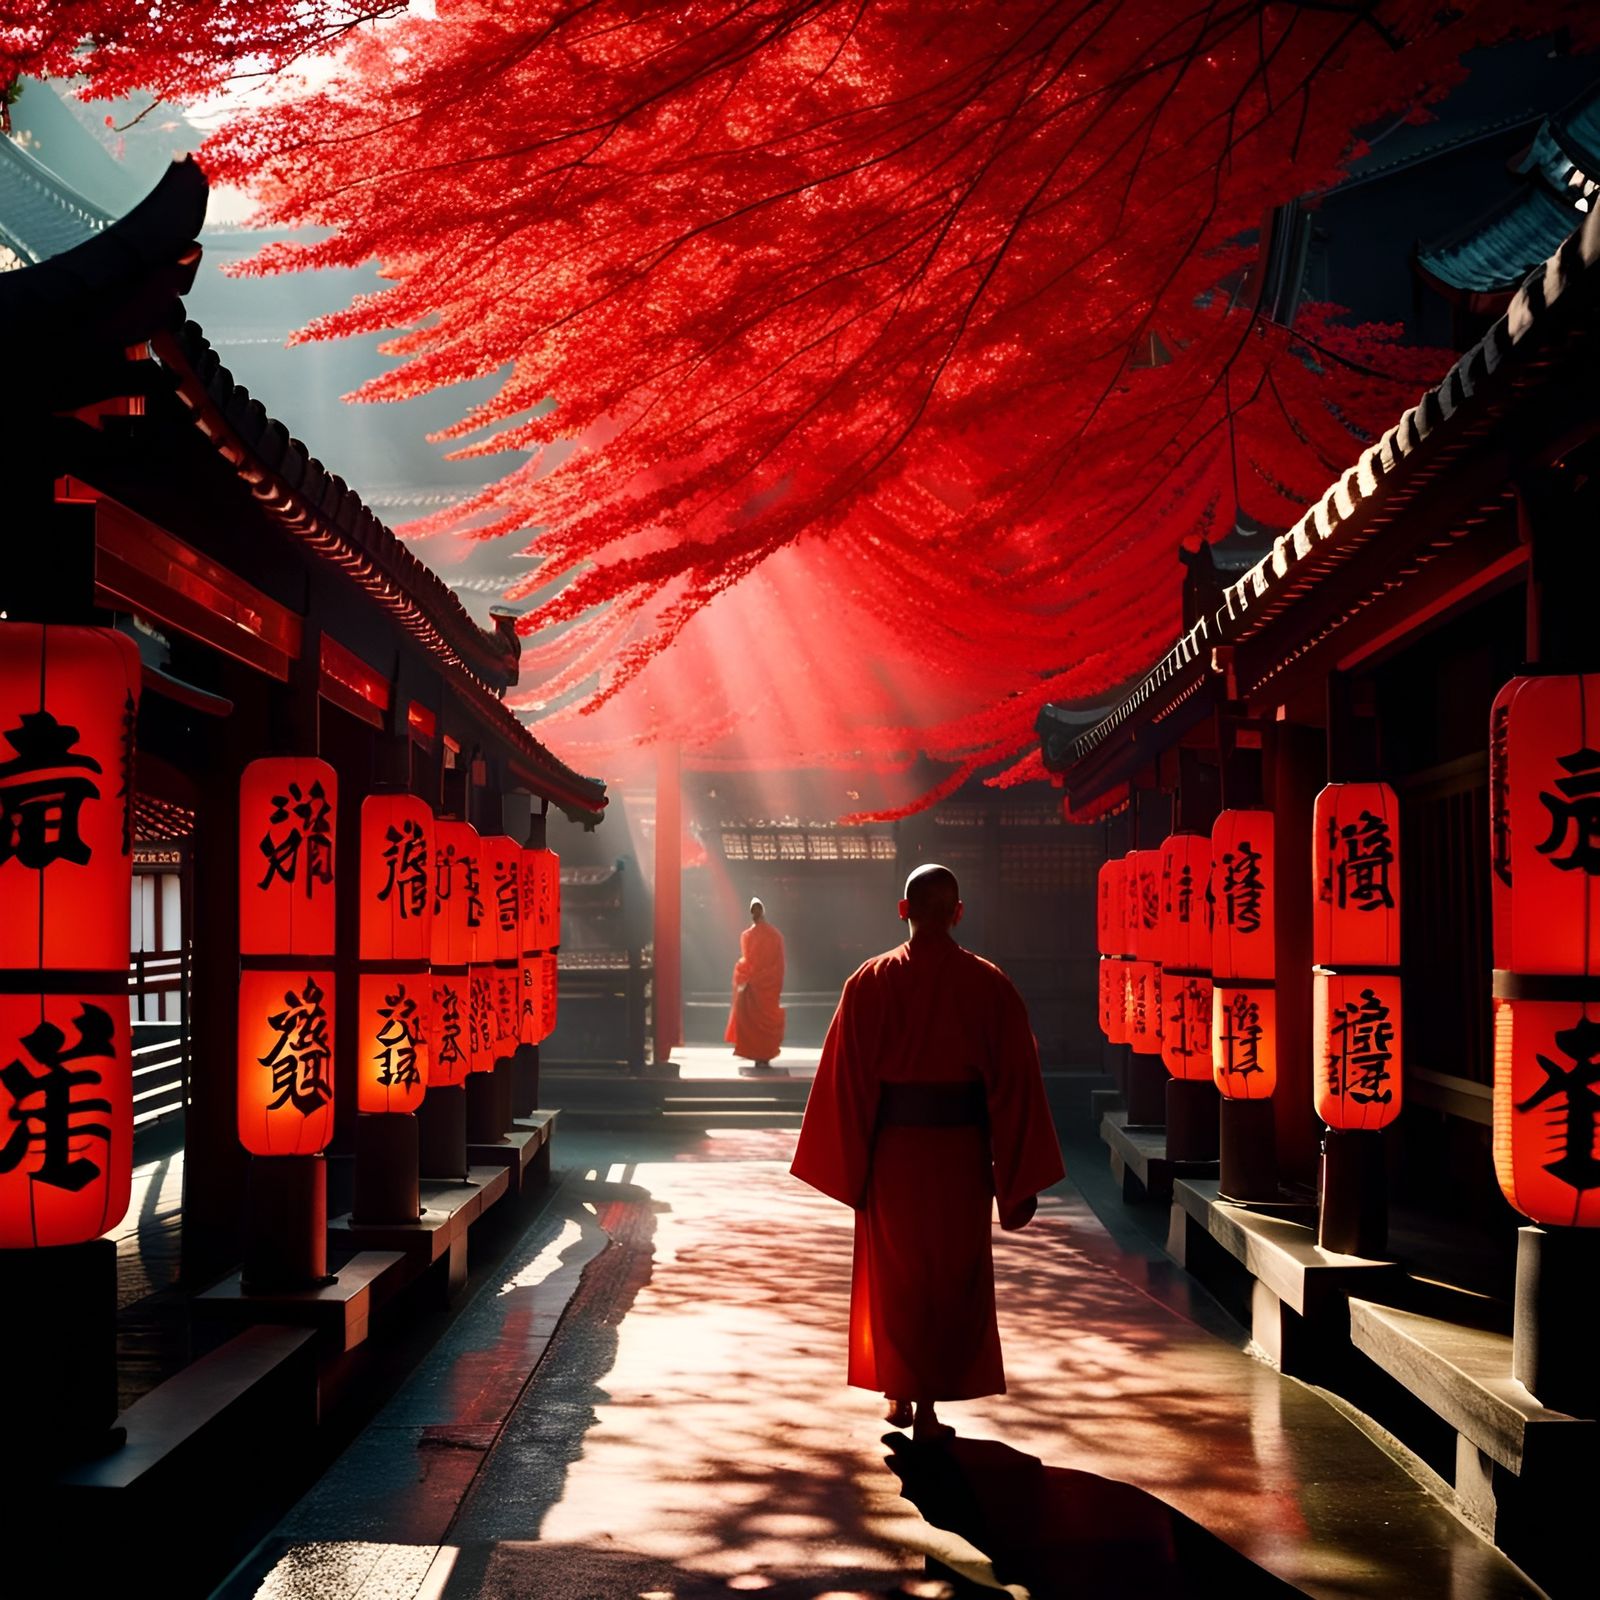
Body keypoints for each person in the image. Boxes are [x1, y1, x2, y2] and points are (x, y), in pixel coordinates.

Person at [791, 863, 1063, 1442]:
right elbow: (1018, 1085)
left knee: (899, 1275)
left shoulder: (869, 982)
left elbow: (846, 1082)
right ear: (957, 912)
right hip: (962, 1158)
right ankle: (932, 1403)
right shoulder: (990, 985)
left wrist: (851, 1162)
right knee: (952, 1275)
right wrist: (1015, 1171)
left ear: (903, 909)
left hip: (894, 1157)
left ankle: (902, 1391)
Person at [725, 896, 786, 1071]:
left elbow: (752, 962)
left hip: (758, 985)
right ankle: (762, 1055)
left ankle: (762, 1055)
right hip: (760, 985)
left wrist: (744, 973)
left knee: (756, 1020)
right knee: (758, 1021)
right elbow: (777, 964)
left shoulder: (753, 936)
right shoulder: (771, 936)